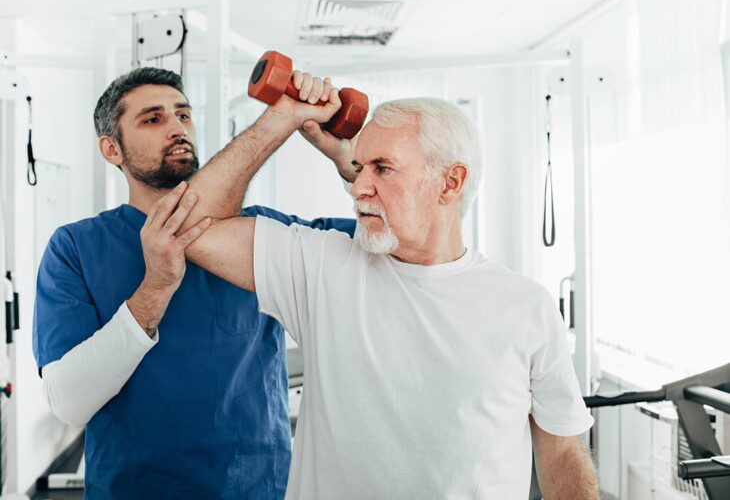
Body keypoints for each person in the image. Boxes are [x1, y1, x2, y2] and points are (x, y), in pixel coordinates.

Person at [171, 92, 600, 499]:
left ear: (450, 183)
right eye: (359, 168)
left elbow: (561, 453)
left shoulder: (524, 306)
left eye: (383, 168)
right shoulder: (323, 266)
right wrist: (281, 118)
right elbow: (189, 226)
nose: (358, 187)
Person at [32, 67, 354, 499]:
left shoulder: (260, 234)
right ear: (112, 149)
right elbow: (68, 403)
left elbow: (387, 247)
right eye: (153, 119)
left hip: (261, 490)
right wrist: (155, 288)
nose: (177, 128)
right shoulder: (75, 247)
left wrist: (348, 162)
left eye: (183, 115)